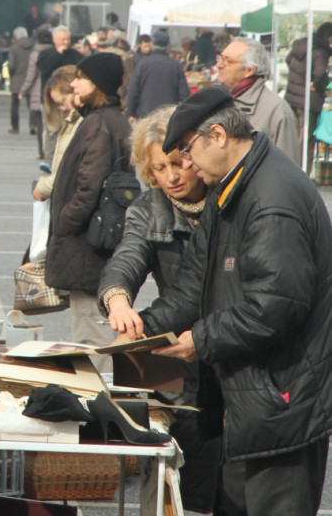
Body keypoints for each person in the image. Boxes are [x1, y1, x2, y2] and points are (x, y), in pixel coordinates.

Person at [126, 84, 332, 516]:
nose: (186, 166)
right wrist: (143, 329)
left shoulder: (271, 197)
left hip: (282, 398)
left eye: (187, 150)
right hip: (248, 398)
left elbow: (276, 304)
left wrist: (199, 340)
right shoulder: (230, 186)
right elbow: (192, 282)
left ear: (217, 136)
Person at [97, 106, 222, 513]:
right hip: (179, 357)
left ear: (197, 155)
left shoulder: (229, 201)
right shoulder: (150, 208)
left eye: (178, 163)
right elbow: (128, 256)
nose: (171, 176)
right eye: (159, 168)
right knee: (182, 466)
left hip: (231, 342)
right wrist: (117, 298)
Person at [44, 52, 132, 372]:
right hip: (100, 239)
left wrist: (65, 222)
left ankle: (98, 404)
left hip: (87, 244)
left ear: (99, 85)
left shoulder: (98, 123)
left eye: (82, 78)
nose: (75, 83)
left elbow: (88, 186)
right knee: (97, 326)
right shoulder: (112, 119)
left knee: (90, 332)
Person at [215, 38, 300, 164]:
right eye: (220, 58)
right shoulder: (218, 101)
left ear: (249, 70)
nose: (219, 65)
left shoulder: (278, 111)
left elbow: (288, 170)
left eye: (228, 60)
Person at [285, 22, 332, 166]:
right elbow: (319, 74)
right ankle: (301, 174)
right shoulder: (319, 51)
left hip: (292, 96)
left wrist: (301, 78)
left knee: (292, 138)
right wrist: (320, 83)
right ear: (328, 37)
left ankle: (289, 170)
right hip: (308, 100)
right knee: (306, 141)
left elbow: (288, 60)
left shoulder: (301, 45)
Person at [33, 66, 81, 202]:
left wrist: (44, 186)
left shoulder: (85, 123)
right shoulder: (74, 121)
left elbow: (73, 174)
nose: (63, 109)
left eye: (62, 103)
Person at [125, 30, 189, 122]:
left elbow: (133, 90)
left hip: (146, 115)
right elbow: (184, 95)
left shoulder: (143, 64)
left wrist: (131, 112)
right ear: (167, 46)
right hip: (168, 116)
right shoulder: (175, 65)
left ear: (152, 45)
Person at [19, 28, 54, 158]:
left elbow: (31, 75)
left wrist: (23, 90)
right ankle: (51, 151)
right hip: (54, 89)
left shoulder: (35, 54)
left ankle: (42, 152)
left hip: (38, 91)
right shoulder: (55, 52)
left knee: (40, 125)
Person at [7, 26, 34, 134]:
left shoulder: (13, 48)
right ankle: (33, 125)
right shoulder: (33, 46)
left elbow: (11, 66)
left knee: (15, 105)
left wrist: (11, 75)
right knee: (32, 104)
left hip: (17, 79)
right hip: (31, 79)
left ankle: (15, 126)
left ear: (16, 36)